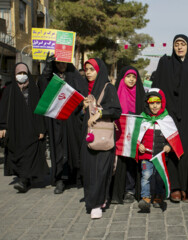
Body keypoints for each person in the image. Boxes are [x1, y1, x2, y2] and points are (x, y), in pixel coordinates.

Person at [152, 34, 188, 201]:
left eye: (182, 44)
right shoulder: (167, 65)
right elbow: (158, 89)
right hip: (171, 118)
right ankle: (175, 187)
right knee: (172, 151)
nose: (179, 47)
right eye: (176, 44)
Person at [38, 54, 87, 194]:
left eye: (64, 63)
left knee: (74, 148)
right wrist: (47, 68)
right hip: (56, 121)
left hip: (72, 120)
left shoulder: (74, 76)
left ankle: (76, 176)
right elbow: (42, 87)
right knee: (59, 149)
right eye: (58, 63)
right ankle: (61, 179)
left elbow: (82, 94)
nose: (61, 66)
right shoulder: (50, 76)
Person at [81, 58, 122, 219]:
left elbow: (116, 110)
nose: (89, 73)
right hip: (87, 137)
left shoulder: (108, 88)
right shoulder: (85, 88)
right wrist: (83, 107)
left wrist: (98, 113)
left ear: (99, 70)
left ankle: (97, 203)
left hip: (103, 137)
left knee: (101, 170)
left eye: (92, 69)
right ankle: (95, 199)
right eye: (87, 69)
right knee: (89, 171)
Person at [0, 63, 49, 193]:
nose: (21, 76)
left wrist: (41, 129)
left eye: (24, 73)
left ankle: (24, 180)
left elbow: (40, 110)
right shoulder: (9, 89)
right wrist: (2, 126)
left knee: (30, 153)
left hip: (32, 128)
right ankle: (24, 178)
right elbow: (3, 109)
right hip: (15, 129)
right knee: (17, 153)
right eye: (19, 73)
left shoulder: (34, 89)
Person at [137, 88, 183, 212]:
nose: (155, 106)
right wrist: (139, 145)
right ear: (147, 104)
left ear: (162, 103)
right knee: (146, 175)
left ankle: (158, 197)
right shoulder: (142, 118)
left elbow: (172, 135)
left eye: (157, 103)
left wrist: (169, 146)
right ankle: (145, 198)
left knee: (159, 177)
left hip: (160, 156)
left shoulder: (166, 119)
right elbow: (136, 135)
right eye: (152, 103)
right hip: (146, 155)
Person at [110, 66, 145, 204]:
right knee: (118, 162)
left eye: (134, 77)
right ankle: (116, 190)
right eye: (128, 76)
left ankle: (130, 190)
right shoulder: (115, 93)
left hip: (134, 131)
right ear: (122, 78)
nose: (131, 80)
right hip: (118, 130)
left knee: (131, 160)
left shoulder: (141, 94)